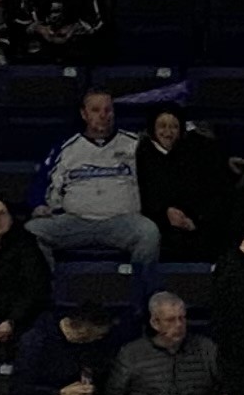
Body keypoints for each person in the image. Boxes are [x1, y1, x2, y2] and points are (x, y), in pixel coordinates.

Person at [29, 87, 159, 272]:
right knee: (31, 232)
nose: (103, 115)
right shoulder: (67, 148)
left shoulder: (135, 144)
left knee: (149, 232)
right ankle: (46, 293)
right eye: (96, 110)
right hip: (75, 222)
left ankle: (141, 295)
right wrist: (38, 204)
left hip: (122, 222)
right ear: (84, 114)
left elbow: (157, 176)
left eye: (108, 110)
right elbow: (42, 181)